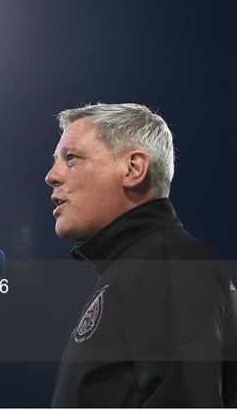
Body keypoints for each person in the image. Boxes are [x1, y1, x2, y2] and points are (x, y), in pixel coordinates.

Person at [45, 103, 237, 407]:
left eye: (72, 158)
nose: (51, 176)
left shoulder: (165, 265)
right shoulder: (138, 266)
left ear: (134, 169)